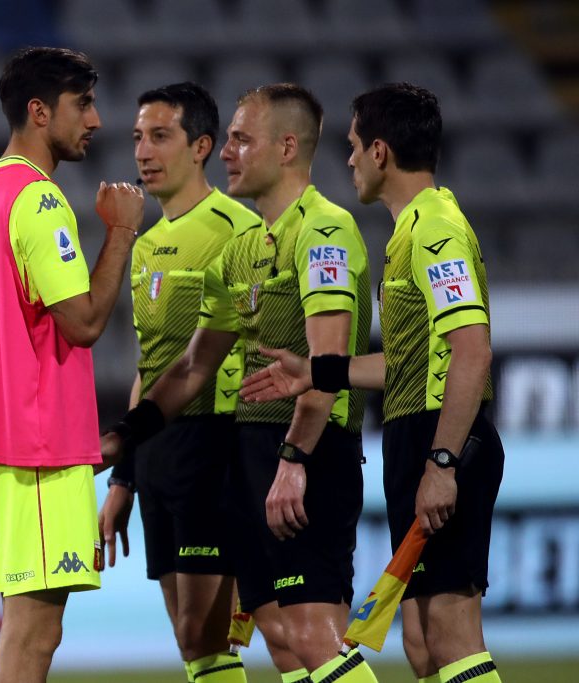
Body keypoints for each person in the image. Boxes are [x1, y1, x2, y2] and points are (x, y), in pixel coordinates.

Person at [103, 83, 379, 683]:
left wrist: (293, 459)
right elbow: (193, 366)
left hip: (308, 453)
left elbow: (326, 366)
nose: (224, 151)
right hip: (255, 456)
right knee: (280, 639)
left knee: (312, 634)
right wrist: (125, 438)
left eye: (239, 139)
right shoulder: (245, 247)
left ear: (285, 148)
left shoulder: (324, 232)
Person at [241, 83, 504, 683]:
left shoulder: (436, 230)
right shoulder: (412, 229)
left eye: (356, 146)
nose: (351, 159)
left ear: (381, 152)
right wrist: (316, 371)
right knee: (421, 642)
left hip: (441, 438)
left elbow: (473, 350)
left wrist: (442, 461)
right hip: (418, 434)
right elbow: (405, 363)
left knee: (451, 632)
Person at [0, 46, 144, 683]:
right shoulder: (38, 201)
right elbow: (82, 324)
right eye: (81, 104)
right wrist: (121, 234)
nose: (97, 120)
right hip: (36, 447)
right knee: (35, 632)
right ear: (38, 111)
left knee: (21, 626)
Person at [98, 81, 263, 683]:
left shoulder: (237, 229)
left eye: (160, 136)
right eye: (138, 137)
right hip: (160, 451)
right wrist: (124, 476)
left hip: (218, 444)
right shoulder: (144, 246)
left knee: (208, 629)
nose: (143, 151)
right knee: (192, 642)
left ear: (201, 147)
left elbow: (249, 345)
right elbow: (151, 366)